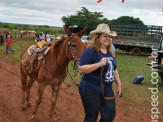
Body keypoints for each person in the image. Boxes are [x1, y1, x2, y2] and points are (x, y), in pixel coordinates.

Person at [78, 24, 122, 122]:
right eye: (105, 36)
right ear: (98, 37)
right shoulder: (90, 51)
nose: (108, 38)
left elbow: (114, 68)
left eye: (109, 36)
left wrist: (119, 84)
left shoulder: (110, 51)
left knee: (109, 116)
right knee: (91, 117)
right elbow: (81, 69)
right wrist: (98, 64)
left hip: (107, 89)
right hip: (90, 89)